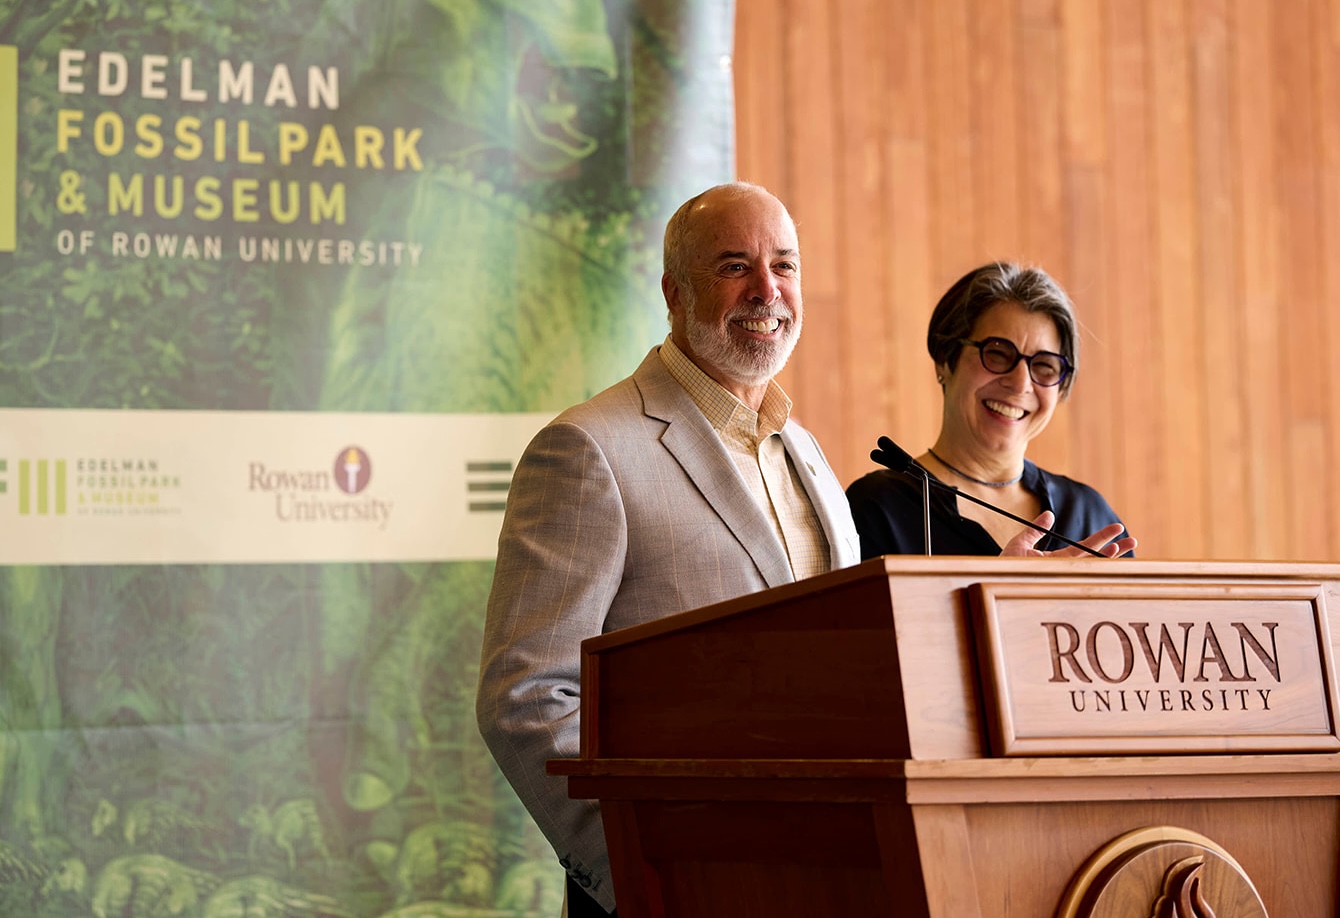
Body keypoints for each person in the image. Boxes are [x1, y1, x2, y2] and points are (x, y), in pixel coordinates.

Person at [476, 182, 862, 917]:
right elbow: (525, 697)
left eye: (784, 265)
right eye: (732, 266)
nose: (767, 290)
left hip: (826, 878)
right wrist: (645, 873)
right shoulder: (589, 449)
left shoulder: (804, 452)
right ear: (673, 292)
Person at [845, 261, 1137, 559]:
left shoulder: (1089, 515)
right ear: (945, 359)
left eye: (1044, 366)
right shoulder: (876, 508)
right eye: (997, 354)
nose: (1021, 383)